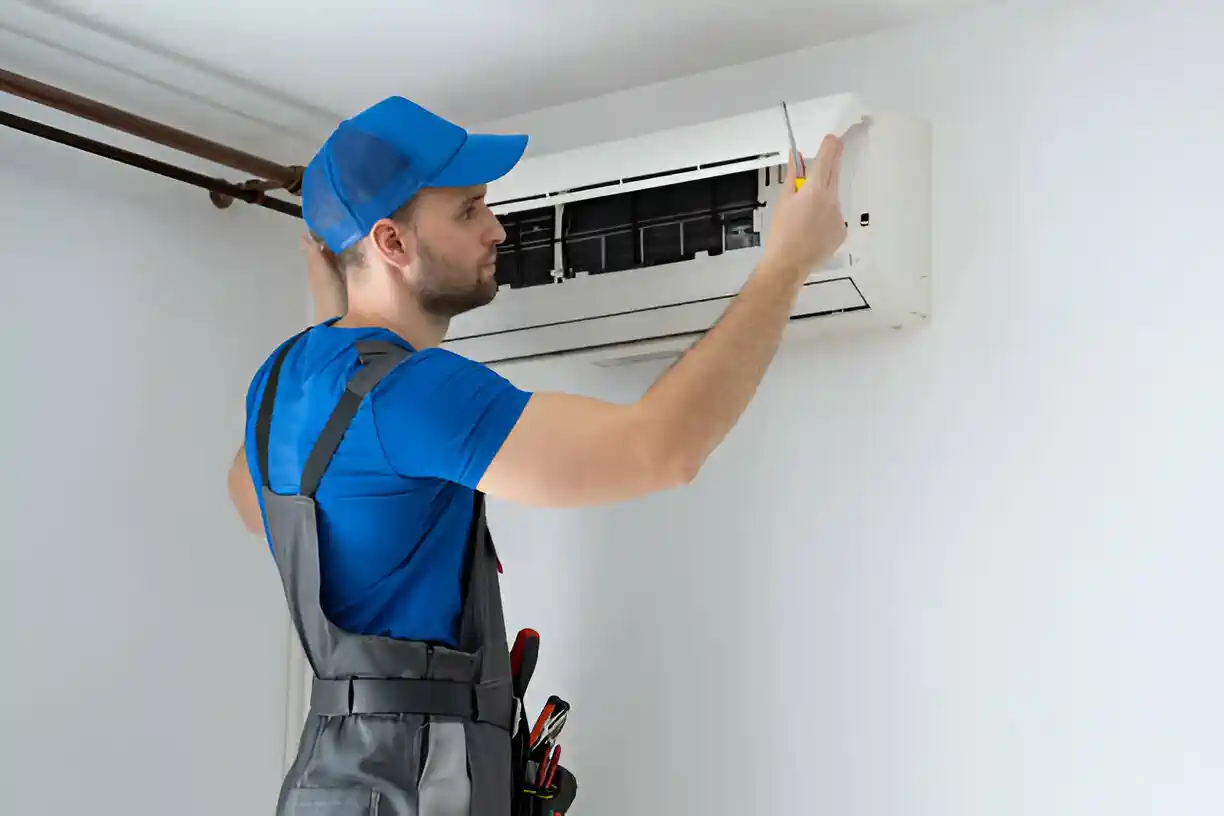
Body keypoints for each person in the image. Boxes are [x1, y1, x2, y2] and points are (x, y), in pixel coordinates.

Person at [226, 95, 845, 816]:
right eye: (467, 211)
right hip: (416, 782)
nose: (496, 228)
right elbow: (661, 450)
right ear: (391, 243)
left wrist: (337, 315)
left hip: (333, 777)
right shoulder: (414, 394)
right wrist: (786, 265)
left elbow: (252, 501)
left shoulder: (281, 381)